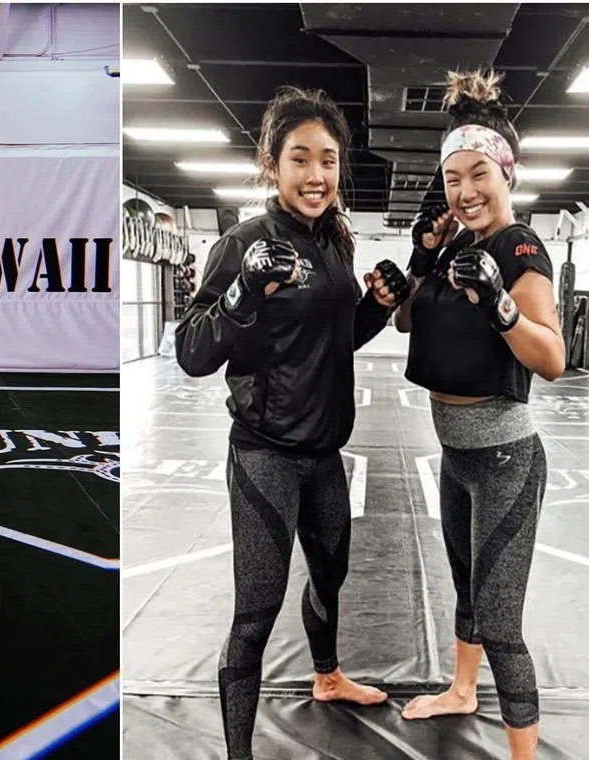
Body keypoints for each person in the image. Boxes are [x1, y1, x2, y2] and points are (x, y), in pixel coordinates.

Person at [175, 86, 409, 760]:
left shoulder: (333, 239)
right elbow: (193, 352)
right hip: (264, 456)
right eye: (300, 159)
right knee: (256, 613)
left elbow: (335, 339)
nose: (316, 175)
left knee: (330, 577)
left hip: (325, 455)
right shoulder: (241, 242)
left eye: (329, 160)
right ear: (272, 164)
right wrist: (245, 290)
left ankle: (328, 677)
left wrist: (376, 305)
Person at [394, 70, 565, 760]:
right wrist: (422, 255)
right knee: (465, 589)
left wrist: (500, 305)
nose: (464, 192)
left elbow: (550, 356)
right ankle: (462, 691)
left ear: (506, 172)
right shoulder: (458, 246)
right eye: (453, 178)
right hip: (457, 458)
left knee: (500, 622)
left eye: (478, 175)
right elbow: (408, 322)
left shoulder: (520, 247)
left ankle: (523, 754)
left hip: (503, 462)